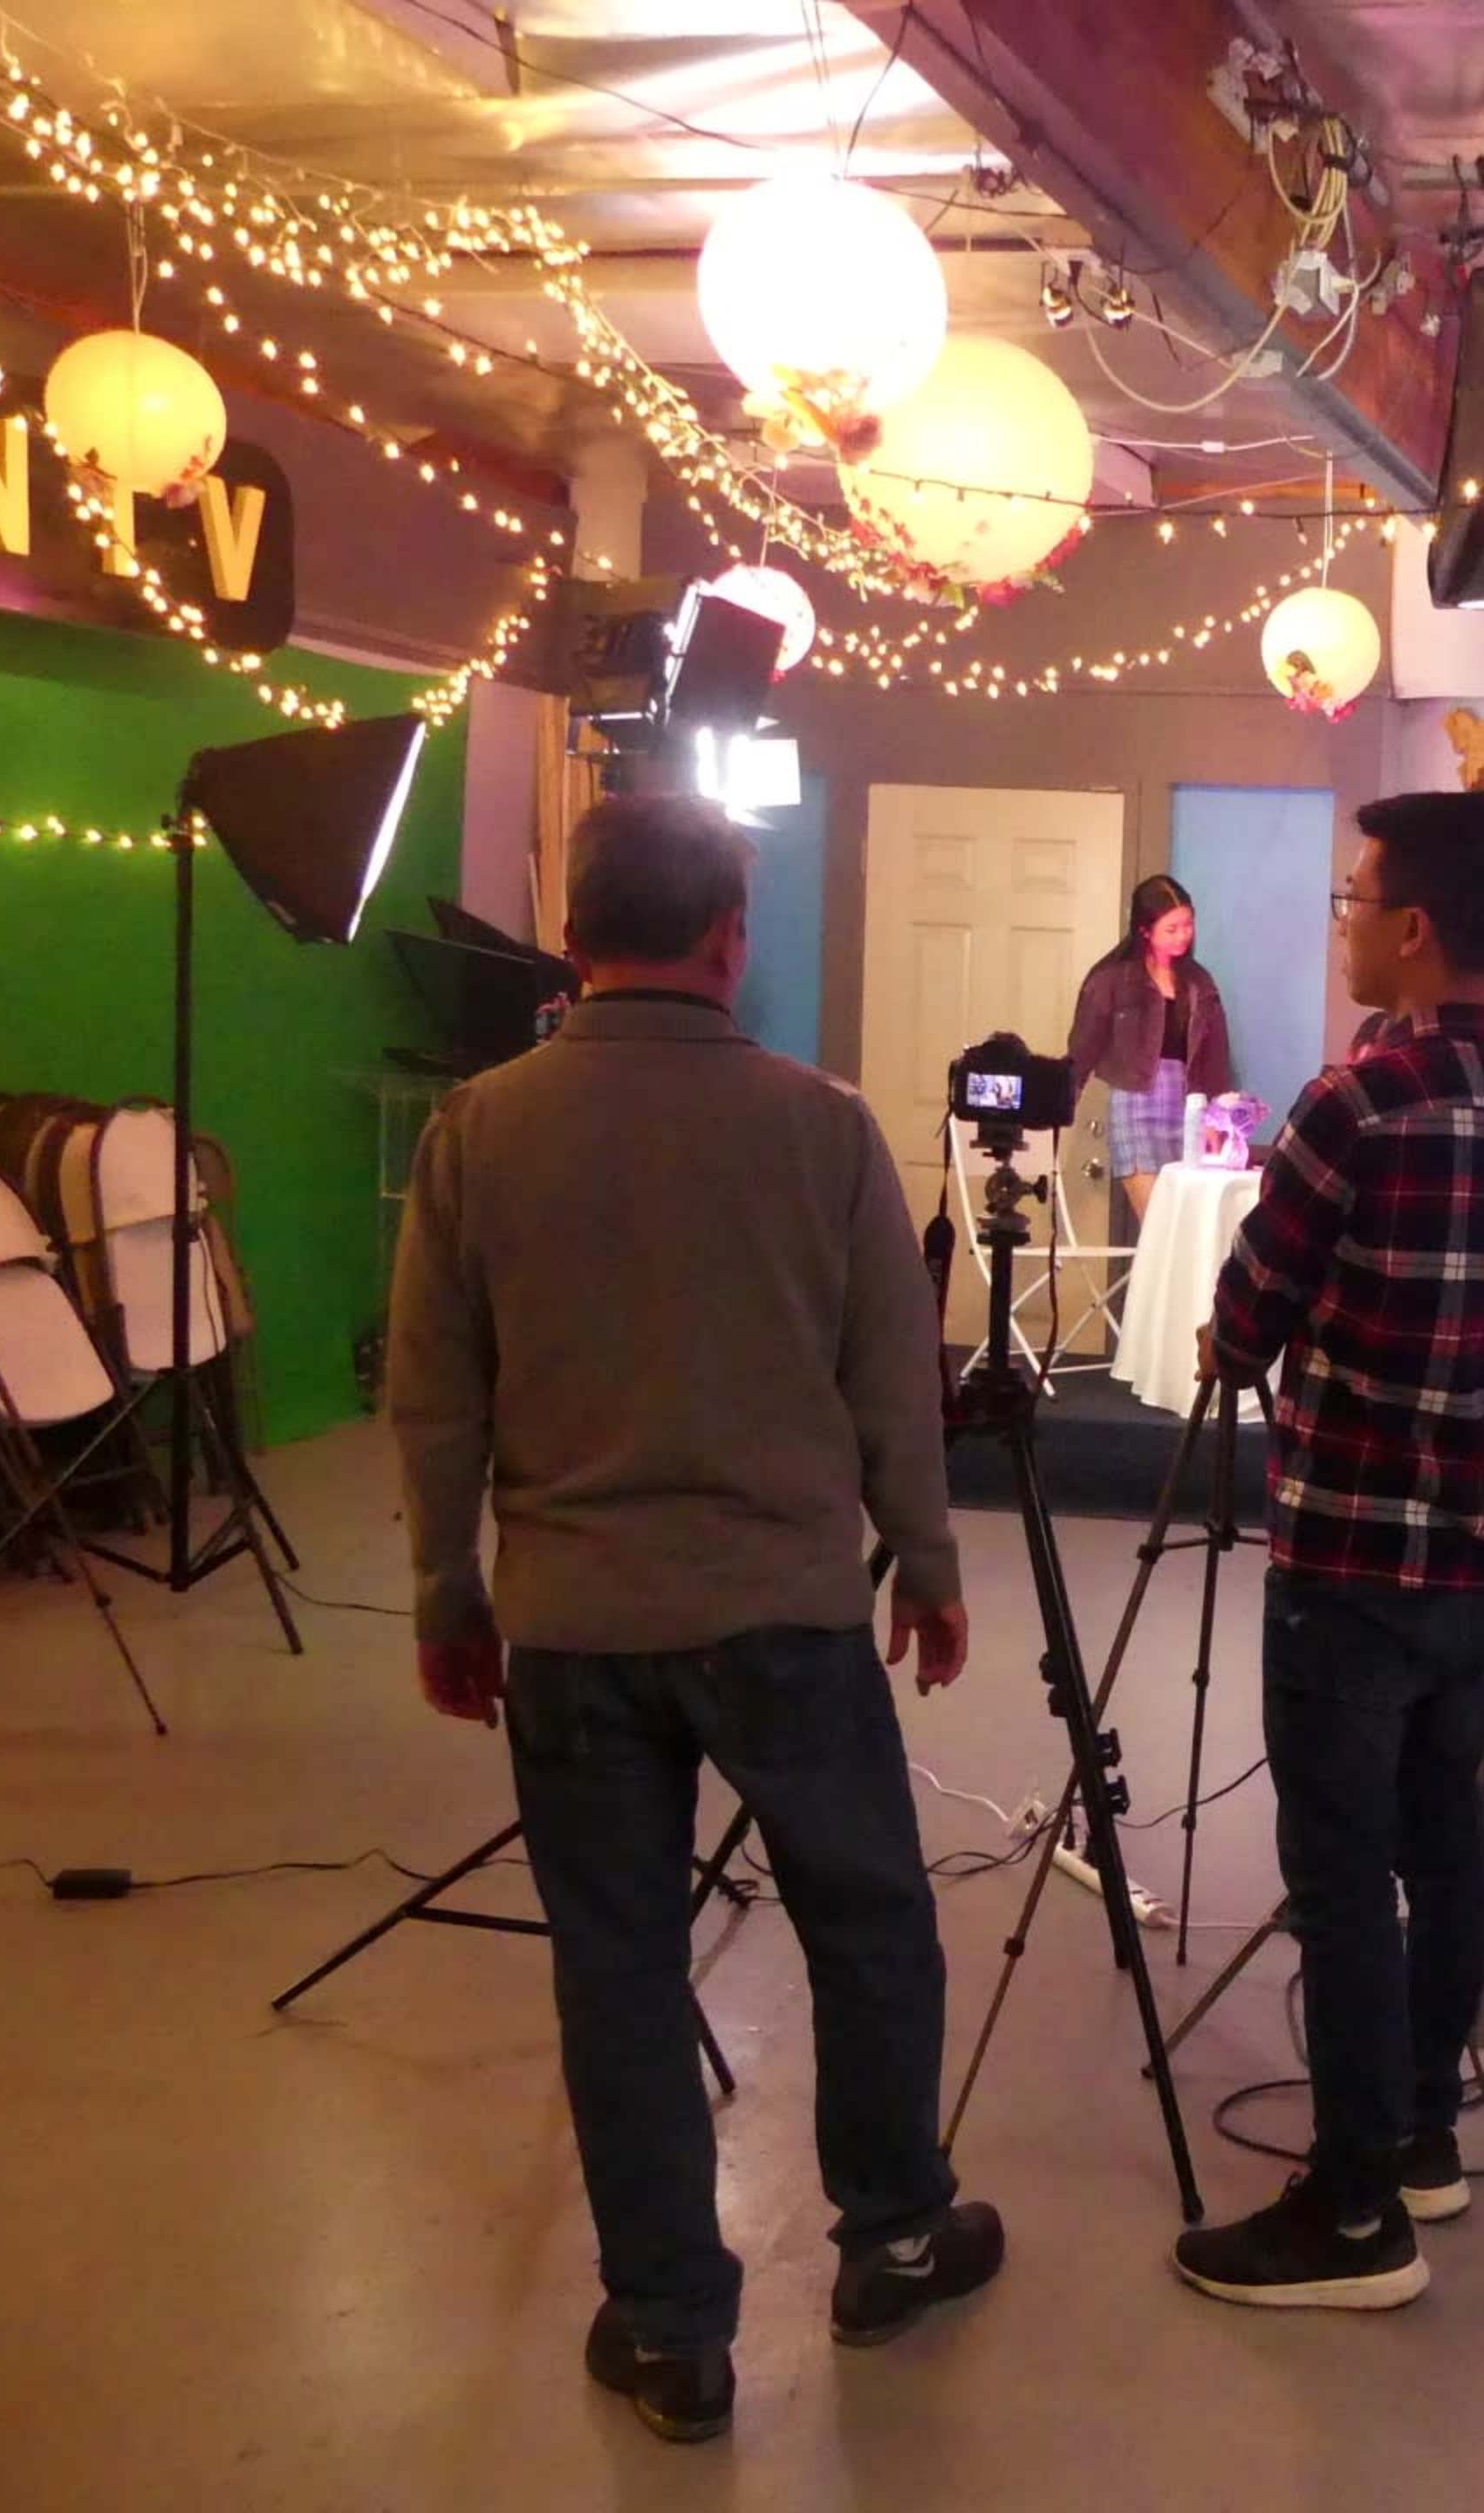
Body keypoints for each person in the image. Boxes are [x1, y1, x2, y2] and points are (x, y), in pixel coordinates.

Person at [386, 794, 998, 2446]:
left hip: (573, 1622)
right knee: (869, 1927)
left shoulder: (478, 1132)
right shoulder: (823, 1129)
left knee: (618, 1967)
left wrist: (448, 1590)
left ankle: (669, 2329)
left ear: (571, 935)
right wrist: (927, 1563)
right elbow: (894, 1379)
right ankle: (893, 2236)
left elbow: (436, 1397)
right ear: (732, 938)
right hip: (786, 1612)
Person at [1176, 791, 1484, 2311]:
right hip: (1475, 1566)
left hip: (1346, 1561)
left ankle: (1353, 2216)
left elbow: (1239, 1326)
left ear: (1414, 929)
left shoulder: (1350, 1110)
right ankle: (1423, 2139)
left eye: (1356, 898)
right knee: (1446, 1854)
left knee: (1344, 1876)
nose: (1343, 921)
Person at [1066, 873, 1237, 1222]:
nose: (1183, 935)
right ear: (1145, 930)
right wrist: (1061, 1100)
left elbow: (1215, 1057)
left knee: (1186, 1220)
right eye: (1171, 929)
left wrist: (1216, 1118)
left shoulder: (1199, 982)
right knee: (1157, 1221)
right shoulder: (1113, 979)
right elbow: (1082, 1048)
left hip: (1188, 1105)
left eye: (1188, 925)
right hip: (1135, 1104)